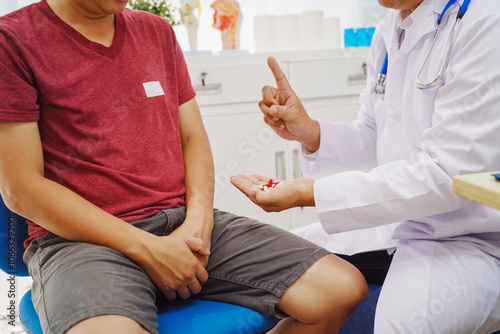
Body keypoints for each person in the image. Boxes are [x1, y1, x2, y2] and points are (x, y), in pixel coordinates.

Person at [0, 1, 371, 334]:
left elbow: (194, 140)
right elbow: (21, 188)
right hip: (84, 243)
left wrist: (197, 224)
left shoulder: (156, 32)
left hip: (182, 224)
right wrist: (149, 250)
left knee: (339, 291)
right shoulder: (13, 40)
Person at [231, 0, 500, 333]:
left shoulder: (485, 22)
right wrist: (311, 132)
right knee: (274, 264)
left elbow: (449, 177)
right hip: (398, 223)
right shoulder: (390, 27)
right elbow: (378, 134)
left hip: (471, 240)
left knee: (389, 327)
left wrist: (310, 192)